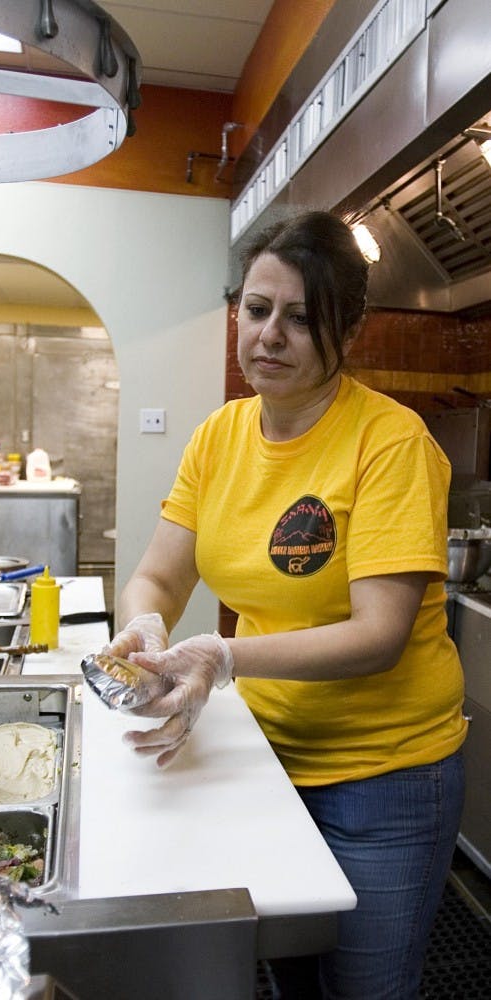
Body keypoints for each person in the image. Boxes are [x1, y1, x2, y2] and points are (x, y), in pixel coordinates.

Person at [106, 210, 467, 999]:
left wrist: (226, 654)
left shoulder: (391, 442)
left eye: (302, 319)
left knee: (365, 991)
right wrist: (145, 622)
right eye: (258, 309)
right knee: (289, 976)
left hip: (387, 777)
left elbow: (379, 635)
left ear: (352, 328)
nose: (269, 335)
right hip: (265, 760)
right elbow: (159, 577)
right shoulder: (220, 435)